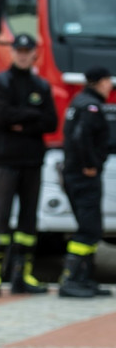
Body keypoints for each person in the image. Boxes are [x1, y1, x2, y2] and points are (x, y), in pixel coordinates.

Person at [0, 33, 58, 296]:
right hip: (6, 162)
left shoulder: (42, 85)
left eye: (28, 50)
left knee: (28, 222)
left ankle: (22, 275)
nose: (23, 54)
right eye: (19, 50)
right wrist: (32, 118)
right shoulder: (0, 83)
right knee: (1, 218)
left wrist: (23, 120)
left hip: (32, 161)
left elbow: (51, 122)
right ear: (12, 53)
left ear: (34, 53)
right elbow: (3, 118)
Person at [59, 66, 114, 298]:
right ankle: (71, 279)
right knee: (89, 230)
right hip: (84, 177)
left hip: (75, 175)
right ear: (100, 82)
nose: (110, 85)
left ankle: (84, 278)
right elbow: (81, 137)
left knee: (90, 228)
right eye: (109, 81)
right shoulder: (91, 106)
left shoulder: (79, 102)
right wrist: (90, 164)